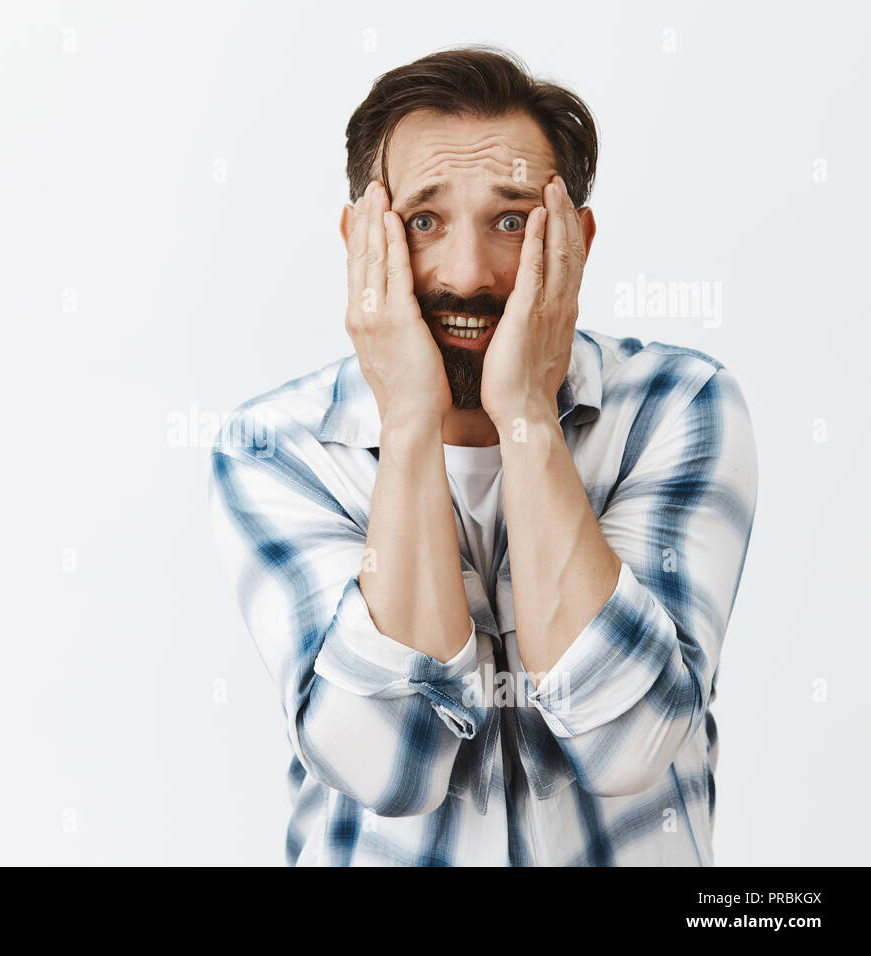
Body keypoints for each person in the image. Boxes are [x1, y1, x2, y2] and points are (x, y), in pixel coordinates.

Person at [206, 45, 758, 865]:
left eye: (511, 221)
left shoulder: (680, 406)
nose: (466, 275)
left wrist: (527, 411)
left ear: (575, 239)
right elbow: (389, 764)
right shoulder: (273, 446)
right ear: (362, 238)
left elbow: (629, 747)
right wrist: (410, 423)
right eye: (423, 220)